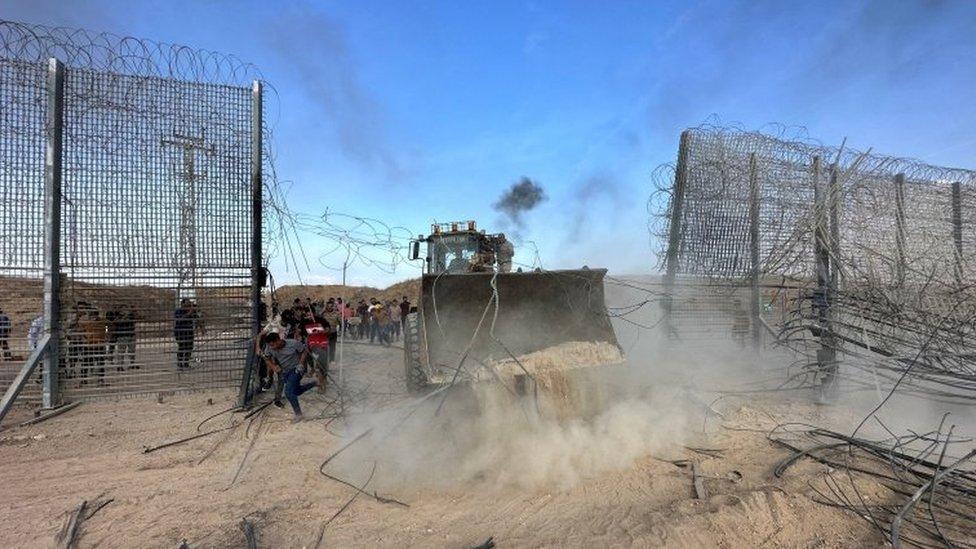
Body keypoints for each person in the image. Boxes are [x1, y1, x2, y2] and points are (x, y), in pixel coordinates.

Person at [264, 332, 319, 421]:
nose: (272, 347)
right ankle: (315, 383)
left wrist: (301, 363)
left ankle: (298, 415)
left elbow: (304, 351)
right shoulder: (269, 347)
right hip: (285, 372)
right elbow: (266, 358)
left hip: (296, 370)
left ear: (278, 340)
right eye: (270, 346)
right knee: (296, 391)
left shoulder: (293, 343)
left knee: (288, 392)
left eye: (273, 345)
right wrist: (273, 366)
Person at [174, 299, 199, 370]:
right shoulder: (178, 311)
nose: (188, 306)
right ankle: (180, 363)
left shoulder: (191, 311)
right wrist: (189, 313)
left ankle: (186, 363)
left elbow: (197, 318)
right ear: (182, 304)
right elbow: (179, 320)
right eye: (187, 304)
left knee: (189, 347)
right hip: (180, 332)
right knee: (182, 347)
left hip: (189, 332)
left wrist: (195, 311)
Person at [322, 299, 341, 364]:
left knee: (332, 346)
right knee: (324, 346)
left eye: (331, 306)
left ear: (333, 306)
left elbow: (341, 321)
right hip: (325, 333)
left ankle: (332, 359)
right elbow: (317, 317)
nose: (329, 307)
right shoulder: (323, 314)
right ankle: (325, 358)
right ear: (326, 307)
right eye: (328, 306)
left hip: (333, 332)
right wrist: (322, 310)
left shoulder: (337, 313)